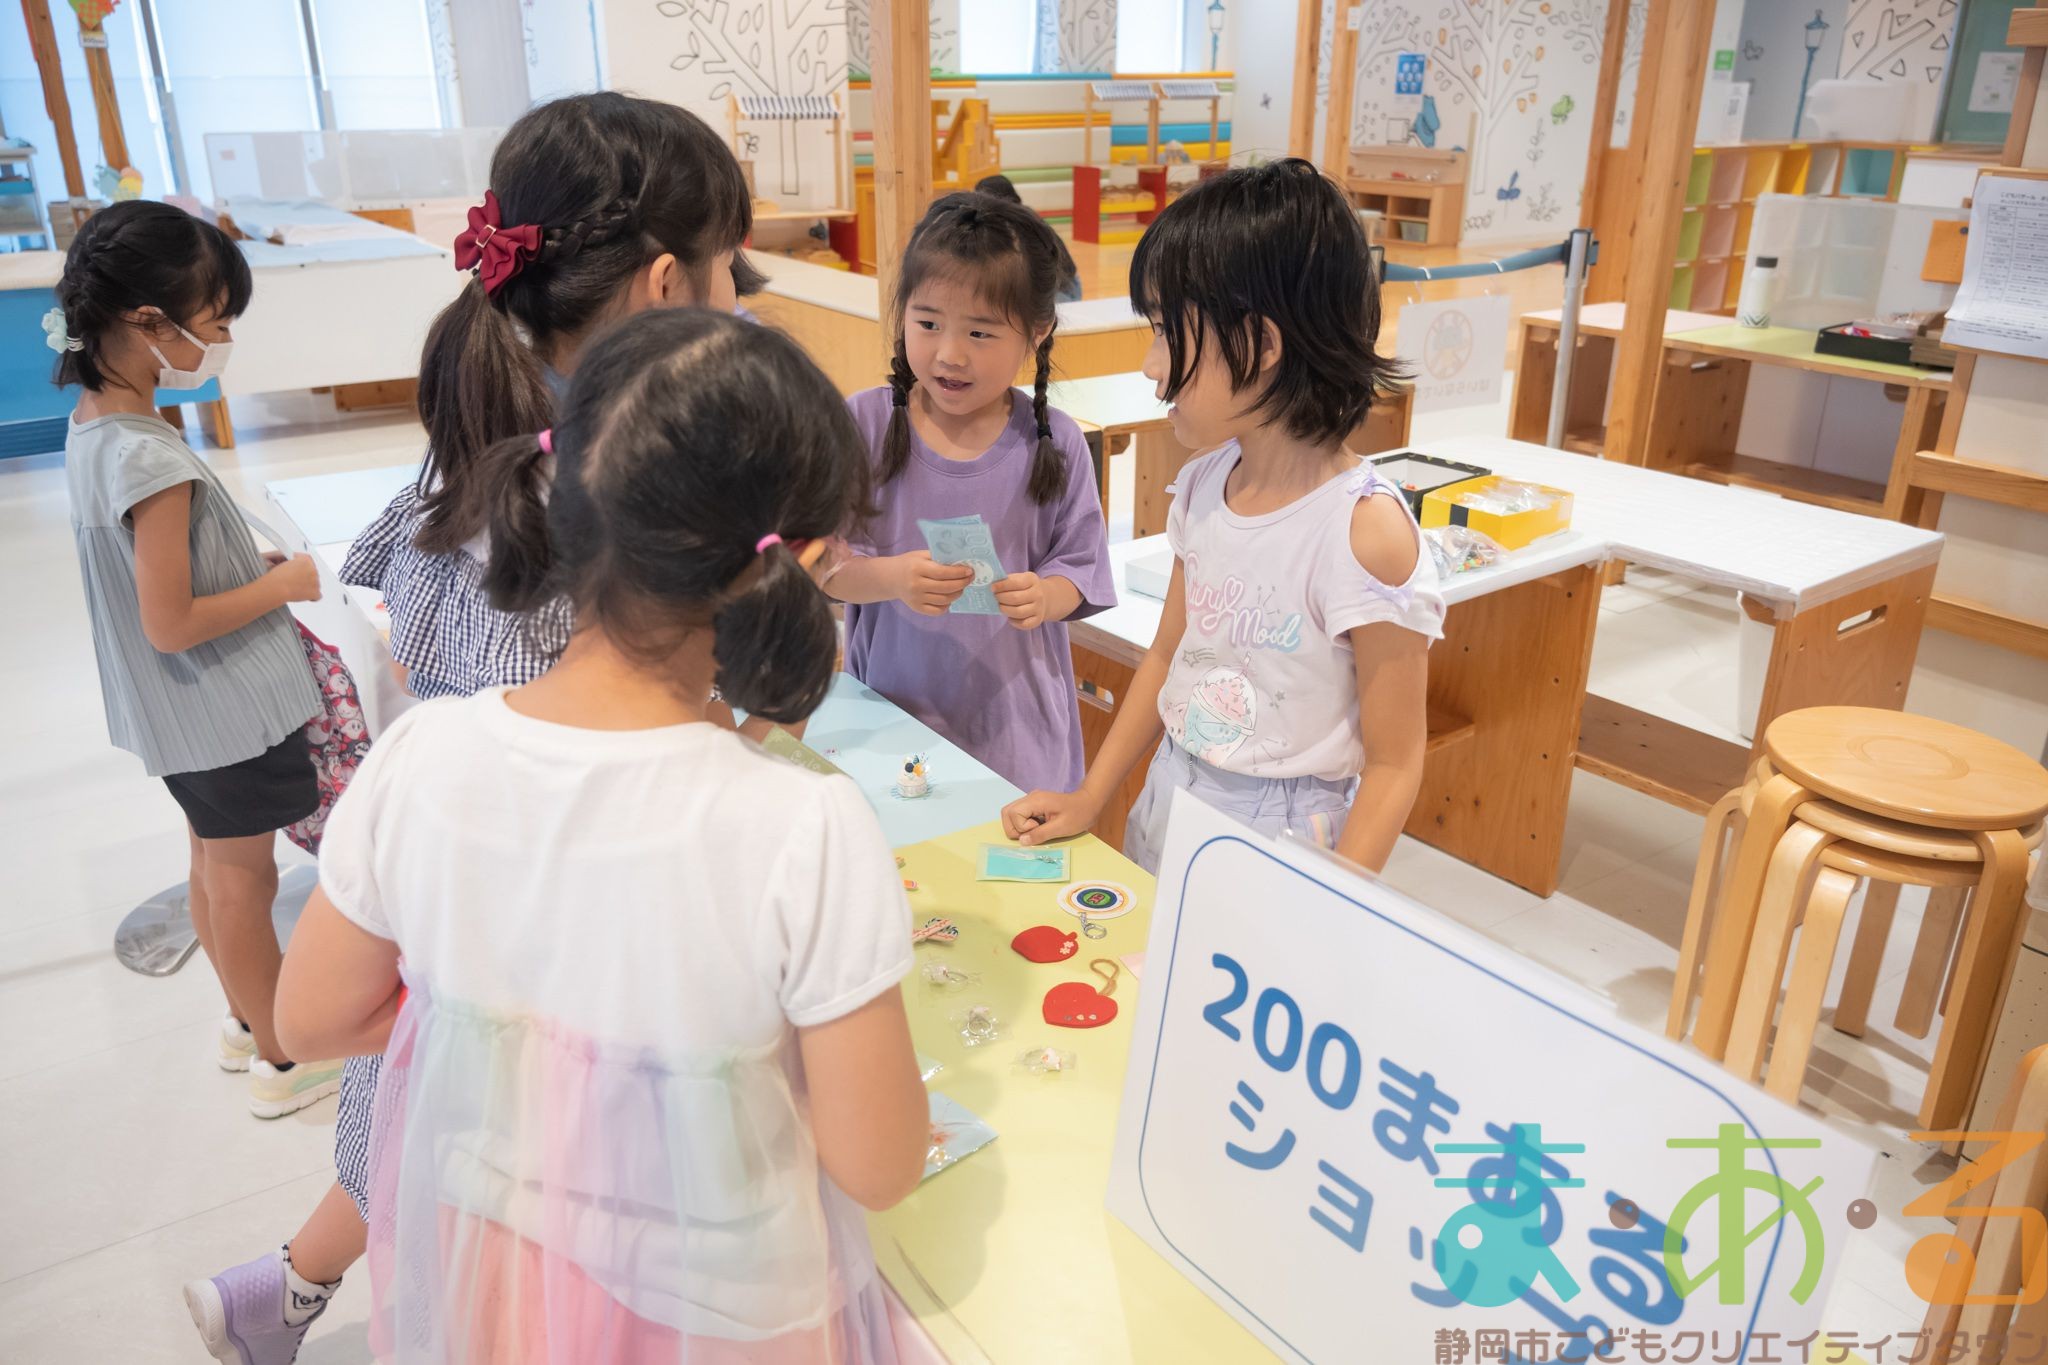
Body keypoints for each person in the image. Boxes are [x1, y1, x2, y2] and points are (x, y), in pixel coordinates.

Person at [185, 92, 770, 1365]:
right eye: (730, 267)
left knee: (415, 1144)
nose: (739, 298)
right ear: (665, 283)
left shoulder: (484, 447)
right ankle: (294, 1292)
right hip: (538, 955)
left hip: (448, 917)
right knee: (525, 1224)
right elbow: (607, 759)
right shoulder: (597, 508)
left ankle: (279, 1295)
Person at [273, 309, 927, 1363]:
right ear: (800, 560)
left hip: (495, 1283)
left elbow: (307, 1019)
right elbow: (881, 1165)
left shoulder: (422, 755)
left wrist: (514, 1038)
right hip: (722, 1316)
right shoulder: (803, 822)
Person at [999, 158, 1444, 874]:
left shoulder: (1365, 532)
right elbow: (1167, 655)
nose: (1152, 366)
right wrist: (1091, 795)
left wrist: (1339, 898)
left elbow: (1395, 762)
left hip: (1286, 831)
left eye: (1165, 333)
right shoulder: (1204, 485)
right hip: (1172, 789)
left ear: (1262, 345)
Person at [52, 199, 344, 1120]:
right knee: (246, 882)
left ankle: (243, 1021)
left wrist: (239, 568)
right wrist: (283, 583)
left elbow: (160, 580)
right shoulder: (154, 460)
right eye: (215, 323)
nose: (221, 342)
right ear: (149, 322)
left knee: (217, 870)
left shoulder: (97, 424)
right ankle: (285, 1057)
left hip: (177, 715)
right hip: (224, 710)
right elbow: (172, 621)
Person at [826, 192, 1113, 795]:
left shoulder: (1054, 439)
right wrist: (894, 578)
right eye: (928, 324)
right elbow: (825, 566)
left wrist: (1045, 596)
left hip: (1017, 736)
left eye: (980, 332)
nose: (950, 354)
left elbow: (1081, 569)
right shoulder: (865, 423)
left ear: (1037, 332)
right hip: (891, 726)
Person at [974, 173, 1082, 301]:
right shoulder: (1018, 215)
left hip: (1063, 291)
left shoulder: (1016, 225)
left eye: (980, 199)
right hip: (1066, 285)